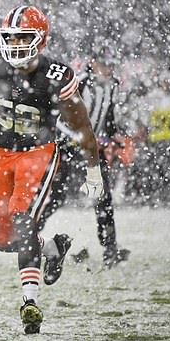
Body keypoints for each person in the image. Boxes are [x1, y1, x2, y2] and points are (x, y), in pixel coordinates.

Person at [0, 5, 105, 334]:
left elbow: (83, 129)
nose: (16, 44)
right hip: (2, 153)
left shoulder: (55, 76)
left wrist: (93, 170)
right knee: (2, 238)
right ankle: (52, 246)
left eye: (23, 37)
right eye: (10, 37)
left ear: (40, 39)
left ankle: (29, 302)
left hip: (39, 153)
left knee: (23, 218)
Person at [44, 57, 130, 268]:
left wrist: (113, 135)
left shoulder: (112, 86)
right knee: (55, 195)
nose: (108, 69)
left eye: (111, 65)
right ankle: (30, 234)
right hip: (68, 146)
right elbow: (57, 114)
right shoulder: (79, 82)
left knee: (103, 196)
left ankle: (110, 247)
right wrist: (74, 136)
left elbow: (107, 116)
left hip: (92, 147)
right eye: (104, 65)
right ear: (93, 64)